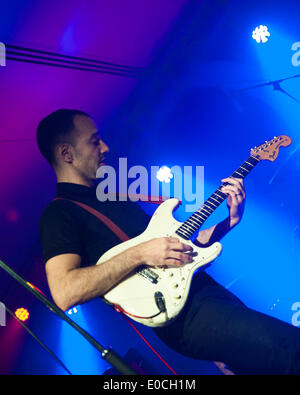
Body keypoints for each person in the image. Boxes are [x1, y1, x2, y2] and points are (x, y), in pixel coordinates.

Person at [37, 109, 300, 375]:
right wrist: (141, 253)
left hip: (207, 297)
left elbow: (177, 247)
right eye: (94, 141)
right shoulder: (59, 213)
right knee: (291, 350)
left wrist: (228, 222)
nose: (105, 147)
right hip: (189, 317)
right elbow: (64, 291)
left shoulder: (112, 195)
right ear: (66, 154)